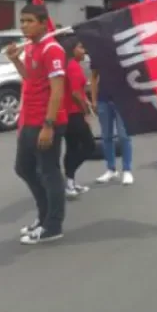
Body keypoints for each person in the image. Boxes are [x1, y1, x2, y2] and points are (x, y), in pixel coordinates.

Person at [5, 4, 67, 245]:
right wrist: (15, 61)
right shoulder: (31, 47)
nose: (24, 25)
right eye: (22, 20)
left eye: (29, 20)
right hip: (29, 120)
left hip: (46, 121)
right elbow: (31, 78)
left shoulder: (52, 49)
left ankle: (53, 225)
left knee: (49, 172)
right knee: (24, 168)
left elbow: (57, 90)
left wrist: (49, 125)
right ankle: (43, 217)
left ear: (43, 23)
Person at [60, 36, 94, 199]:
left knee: (72, 147)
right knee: (89, 146)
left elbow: (78, 90)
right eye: (80, 47)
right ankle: (69, 178)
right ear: (72, 50)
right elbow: (75, 94)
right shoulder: (73, 66)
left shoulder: (70, 65)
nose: (84, 51)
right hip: (74, 113)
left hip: (68, 113)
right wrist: (85, 111)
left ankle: (70, 181)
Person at [91, 57, 134, 186]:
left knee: (124, 136)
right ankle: (111, 169)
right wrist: (94, 100)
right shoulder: (97, 53)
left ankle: (127, 170)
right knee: (106, 136)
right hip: (103, 99)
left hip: (122, 99)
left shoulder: (123, 51)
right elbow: (94, 77)